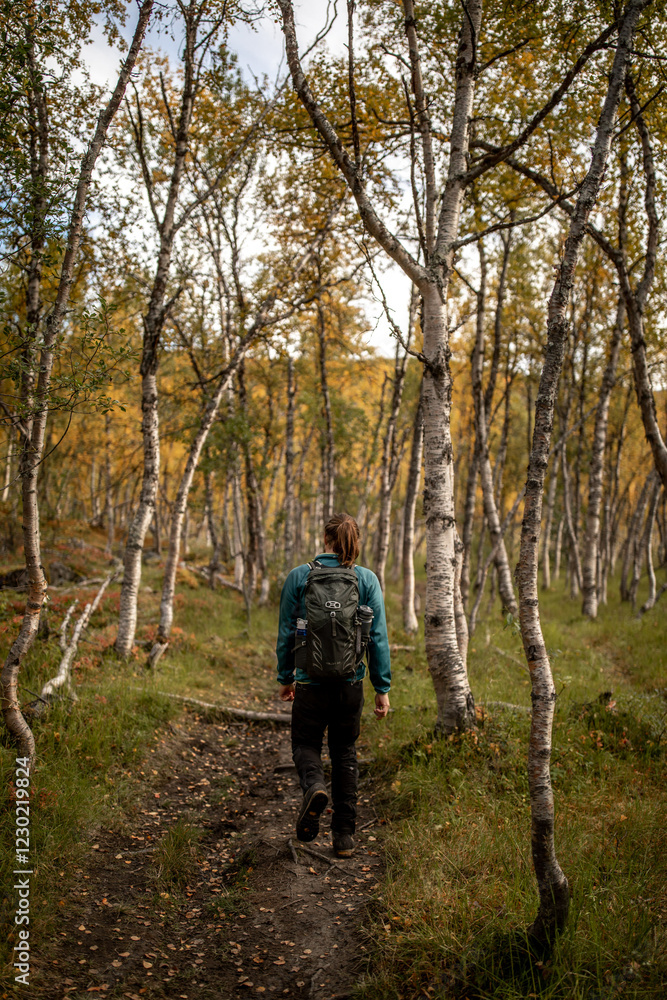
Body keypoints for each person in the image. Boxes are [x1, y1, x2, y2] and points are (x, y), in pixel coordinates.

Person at [276, 512, 391, 858]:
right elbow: (378, 639)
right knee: (344, 753)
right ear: (354, 543)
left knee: (305, 744)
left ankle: (313, 786)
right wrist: (381, 688)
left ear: (325, 540)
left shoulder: (300, 576)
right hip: (349, 684)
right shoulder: (366, 580)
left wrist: (286, 678)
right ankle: (343, 836)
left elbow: (285, 633)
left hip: (310, 684)